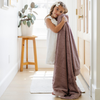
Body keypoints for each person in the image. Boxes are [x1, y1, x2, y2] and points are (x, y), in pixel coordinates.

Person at [45, 1, 82, 99]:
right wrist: (63, 21)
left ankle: (61, 86)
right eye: (57, 9)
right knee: (57, 67)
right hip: (53, 45)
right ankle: (57, 87)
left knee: (60, 67)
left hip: (60, 45)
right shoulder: (48, 19)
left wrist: (62, 21)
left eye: (61, 12)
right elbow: (55, 30)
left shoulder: (59, 19)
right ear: (53, 8)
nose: (58, 12)